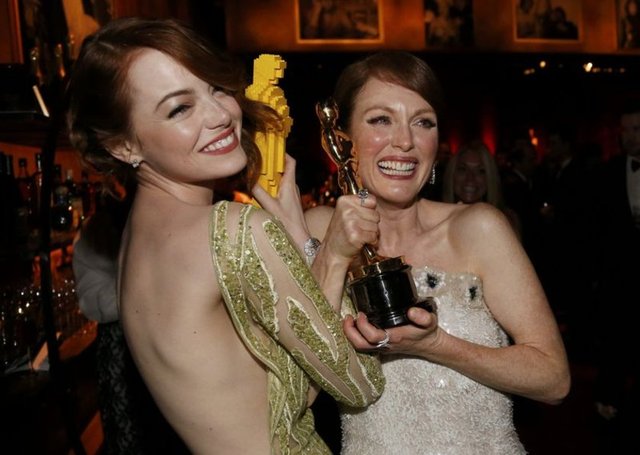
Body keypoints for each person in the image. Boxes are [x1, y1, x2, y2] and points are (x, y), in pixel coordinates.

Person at [66, 17, 383, 454]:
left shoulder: (134, 242)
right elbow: (359, 382)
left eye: (216, 88)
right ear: (123, 146)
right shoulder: (234, 230)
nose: (222, 115)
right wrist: (326, 252)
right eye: (180, 109)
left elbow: (267, 401)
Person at [304, 51, 570, 454]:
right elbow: (297, 393)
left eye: (423, 122)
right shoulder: (317, 230)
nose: (405, 141)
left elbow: (553, 379)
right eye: (381, 119)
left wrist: (435, 345)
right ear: (341, 139)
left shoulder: (478, 228)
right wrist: (335, 255)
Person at [72, 180, 189, 454]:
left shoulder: (183, 218)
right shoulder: (99, 230)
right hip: (121, 349)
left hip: (177, 344)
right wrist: (145, 290)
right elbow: (90, 301)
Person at [593, 98, 640, 454]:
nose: (629, 136)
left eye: (636, 129)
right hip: (618, 281)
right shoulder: (607, 173)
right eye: (625, 130)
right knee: (616, 343)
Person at [441, 139, 522, 238]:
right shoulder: (436, 221)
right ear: (452, 175)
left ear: (489, 178)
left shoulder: (505, 222)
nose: (470, 178)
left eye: (480, 171)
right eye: (463, 169)